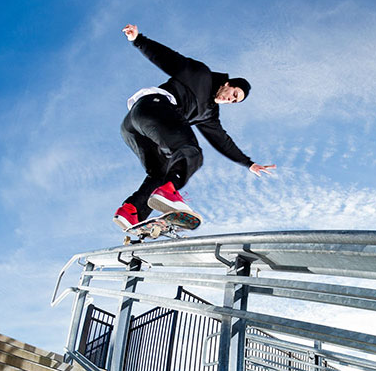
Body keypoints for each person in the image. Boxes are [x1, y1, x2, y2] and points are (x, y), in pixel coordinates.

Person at [114, 24, 275, 230]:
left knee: (160, 171)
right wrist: (138, 40)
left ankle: (131, 211)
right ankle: (169, 192)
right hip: (152, 107)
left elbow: (222, 140)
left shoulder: (209, 114)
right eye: (234, 94)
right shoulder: (201, 74)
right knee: (191, 153)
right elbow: (169, 58)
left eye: (234, 102)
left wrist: (248, 163)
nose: (230, 100)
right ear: (227, 84)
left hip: (132, 127)